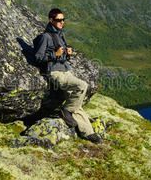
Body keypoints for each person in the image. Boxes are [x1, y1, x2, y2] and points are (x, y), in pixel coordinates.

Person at [34, 8, 102, 144]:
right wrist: (56, 55)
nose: (62, 22)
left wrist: (67, 53)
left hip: (66, 71)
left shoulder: (60, 35)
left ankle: (88, 133)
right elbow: (38, 57)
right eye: (59, 20)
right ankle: (65, 111)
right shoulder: (45, 37)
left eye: (63, 19)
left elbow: (61, 55)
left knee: (77, 104)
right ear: (51, 20)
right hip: (55, 73)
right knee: (82, 86)